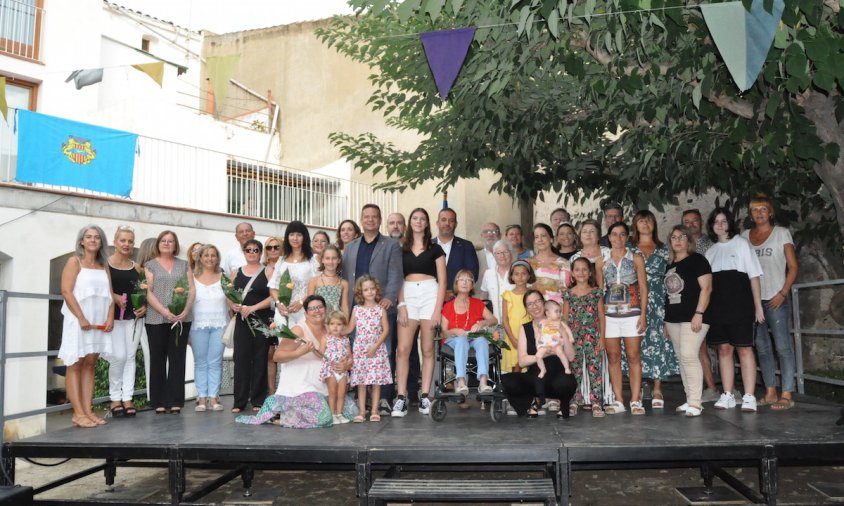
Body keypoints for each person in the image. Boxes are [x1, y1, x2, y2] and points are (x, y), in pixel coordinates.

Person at [236, 295, 353, 428]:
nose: (317, 311)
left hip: (325, 385)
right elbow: (277, 356)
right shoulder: (298, 330)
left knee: (348, 411)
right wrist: (300, 352)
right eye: (312, 308)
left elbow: (347, 353)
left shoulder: (331, 328)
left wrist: (346, 364)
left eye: (320, 307)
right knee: (324, 418)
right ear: (306, 312)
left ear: (325, 309)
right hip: (302, 386)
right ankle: (285, 416)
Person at [342, 204, 403, 415]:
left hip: (381, 310)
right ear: (361, 219)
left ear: (379, 220)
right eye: (366, 216)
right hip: (356, 309)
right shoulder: (350, 247)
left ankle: (384, 397)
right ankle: (362, 401)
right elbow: (344, 279)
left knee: (383, 352)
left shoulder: (391, 245)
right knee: (358, 354)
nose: (370, 220)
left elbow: (396, 274)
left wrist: (389, 298)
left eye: (374, 217)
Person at [705, 207, 765, 413]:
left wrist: (758, 307)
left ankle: (749, 396)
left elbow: (754, 276)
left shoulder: (741, 244)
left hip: (741, 306)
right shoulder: (710, 252)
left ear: (730, 224)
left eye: (724, 221)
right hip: (718, 308)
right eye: (716, 222)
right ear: (712, 226)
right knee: (724, 349)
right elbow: (707, 286)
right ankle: (728, 393)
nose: (720, 225)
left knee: (745, 349)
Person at [742, 195, 798, 410]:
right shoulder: (744, 236)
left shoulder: (781, 233)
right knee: (762, 349)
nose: (759, 213)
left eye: (763, 209)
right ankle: (770, 391)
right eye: (755, 210)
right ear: (751, 214)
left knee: (783, 347)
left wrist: (783, 293)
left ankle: (787, 393)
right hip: (753, 302)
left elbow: (793, 267)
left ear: (771, 212)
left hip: (776, 299)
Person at [394, 208, 446, 417]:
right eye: (414, 218)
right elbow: (397, 277)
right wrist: (401, 304)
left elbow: (443, 282)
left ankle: (425, 395)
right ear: (409, 222)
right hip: (407, 295)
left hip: (429, 295)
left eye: (422, 218)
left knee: (427, 349)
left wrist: (437, 310)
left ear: (427, 223)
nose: (418, 221)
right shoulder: (400, 249)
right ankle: (401, 397)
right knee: (403, 349)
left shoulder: (436, 249)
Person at [60, 225, 114, 428]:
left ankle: (88, 411)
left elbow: (110, 293)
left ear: (101, 242)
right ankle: (78, 413)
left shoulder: (103, 265)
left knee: (90, 363)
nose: (92, 240)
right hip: (79, 320)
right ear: (81, 241)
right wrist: (81, 317)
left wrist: (110, 317)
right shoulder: (74, 262)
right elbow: (66, 291)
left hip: (98, 321)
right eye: (88, 237)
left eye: (97, 237)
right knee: (75, 363)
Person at [501, 289, 577, 418]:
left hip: (557, 378)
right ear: (526, 307)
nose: (534, 306)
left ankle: (564, 405)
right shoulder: (525, 328)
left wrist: (563, 332)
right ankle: (531, 403)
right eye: (530, 304)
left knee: (567, 382)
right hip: (536, 378)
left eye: (537, 301)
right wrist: (545, 354)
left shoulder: (558, 323)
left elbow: (571, 356)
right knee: (507, 380)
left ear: (544, 303)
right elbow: (522, 361)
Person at [144, 230, 195, 414]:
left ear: (176, 245)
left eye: (170, 241)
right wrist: (164, 311)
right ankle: (158, 401)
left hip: (181, 318)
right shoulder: (149, 265)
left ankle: (175, 401)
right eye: (163, 241)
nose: (167, 244)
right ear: (158, 244)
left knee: (177, 358)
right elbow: (147, 292)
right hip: (156, 318)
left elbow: (191, 289)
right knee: (157, 359)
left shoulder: (184, 265)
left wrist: (185, 310)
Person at [663, 225, 712, 417]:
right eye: (673, 237)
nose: (677, 240)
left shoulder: (698, 260)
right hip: (673, 319)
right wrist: (667, 322)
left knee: (689, 355)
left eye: (681, 237)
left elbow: (706, 289)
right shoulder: (670, 264)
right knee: (682, 358)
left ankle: (695, 402)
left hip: (694, 316)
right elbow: (670, 294)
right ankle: (689, 397)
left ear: (688, 240)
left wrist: (699, 313)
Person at [630, 210, 677, 409]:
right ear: (635, 225)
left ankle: (657, 387)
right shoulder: (629, 249)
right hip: (634, 302)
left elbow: (673, 280)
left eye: (648, 221)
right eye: (641, 221)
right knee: (636, 345)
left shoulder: (665, 250)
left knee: (658, 342)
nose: (645, 224)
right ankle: (638, 385)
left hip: (658, 302)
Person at [602, 222, 648, 415]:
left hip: (633, 313)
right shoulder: (601, 261)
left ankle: (636, 400)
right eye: (614, 234)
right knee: (613, 357)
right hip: (610, 315)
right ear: (609, 237)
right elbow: (599, 291)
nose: (618, 238)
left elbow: (644, 288)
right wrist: (600, 320)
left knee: (633, 356)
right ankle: (619, 400)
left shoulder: (636, 258)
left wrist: (644, 314)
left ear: (627, 237)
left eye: (622, 235)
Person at [230, 239, 274, 413]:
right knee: (240, 359)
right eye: (248, 250)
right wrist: (232, 305)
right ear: (244, 252)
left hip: (261, 321)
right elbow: (229, 294)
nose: (252, 253)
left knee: (260, 359)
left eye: (256, 250)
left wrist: (253, 308)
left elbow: (273, 297)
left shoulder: (269, 271)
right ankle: (239, 401)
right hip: (242, 321)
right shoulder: (235, 273)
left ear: (260, 252)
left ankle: (258, 399)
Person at [105, 225, 145, 418]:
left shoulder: (136, 267)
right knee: (118, 356)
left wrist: (143, 306)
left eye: (130, 241)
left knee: (130, 357)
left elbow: (143, 292)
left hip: (133, 318)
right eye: (123, 240)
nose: (126, 244)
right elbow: (103, 288)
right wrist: (114, 297)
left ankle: (127, 397)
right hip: (113, 318)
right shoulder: (105, 265)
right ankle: (114, 398)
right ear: (115, 242)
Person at [440, 269, 498, 395]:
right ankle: (461, 381)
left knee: (482, 340)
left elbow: (494, 320)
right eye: (462, 279)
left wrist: (481, 323)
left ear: (472, 285)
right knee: (461, 340)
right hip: (454, 339)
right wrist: (455, 330)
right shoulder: (448, 306)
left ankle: (483, 382)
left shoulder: (478, 303)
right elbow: (443, 333)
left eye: (468, 280)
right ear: (456, 283)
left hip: (473, 338)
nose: (465, 282)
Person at [682, 208, 719, 402]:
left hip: (711, 301)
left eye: (694, 221)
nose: (690, 224)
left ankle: (726, 388)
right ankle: (710, 387)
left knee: (723, 346)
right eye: (686, 221)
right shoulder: (681, 247)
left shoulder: (711, 245)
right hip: (691, 304)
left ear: (701, 222)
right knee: (700, 347)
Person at [563, 257, 606, 417]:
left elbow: (601, 316)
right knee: (575, 370)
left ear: (590, 272)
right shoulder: (568, 294)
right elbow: (565, 319)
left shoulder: (596, 292)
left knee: (594, 369)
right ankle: (574, 401)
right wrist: (565, 339)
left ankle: (596, 402)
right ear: (572, 274)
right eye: (577, 269)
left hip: (593, 336)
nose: (581, 272)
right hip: (574, 338)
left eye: (584, 269)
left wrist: (602, 338)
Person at [347, 276, 392, 422]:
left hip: (376, 349)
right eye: (366, 289)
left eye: (372, 288)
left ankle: (374, 410)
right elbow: (350, 328)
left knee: (375, 381)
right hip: (361, 350)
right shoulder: (356, 310)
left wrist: (375, 346)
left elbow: (385, 330)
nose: (370, 292)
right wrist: (335, 330)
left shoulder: (380, 310)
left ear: (376, 290)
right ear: (361, 292)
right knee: (361, 382)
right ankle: (361, 411)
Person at [190, 244, 228, 412]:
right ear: (200, 258)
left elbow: (231, 300)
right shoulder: (191, 276)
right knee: (200, 362)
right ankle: (201, 398)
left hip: (219, 324)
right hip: (197, 325)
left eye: (213, 255)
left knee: (215, 361)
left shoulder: (224, 277)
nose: (210, 258)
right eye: (206, 255)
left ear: (217, 258)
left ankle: (213, 397)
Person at [270, 221, 319, 327]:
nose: (295, 238)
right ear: (287, 237)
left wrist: (302, 302)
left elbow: (318, 286)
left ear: (304, 237)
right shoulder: (281, 261)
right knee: (284, 343)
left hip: (305, 311)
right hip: (283, 312)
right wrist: (278, 303)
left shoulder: (312, 260)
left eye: (299, 235)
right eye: (291, 234)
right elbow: (273, 287)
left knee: (304, 342)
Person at [433, 208, 479, 300]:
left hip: (458, 299)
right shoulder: (427, 246)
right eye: (443, 220)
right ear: (437, 223)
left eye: (451, 220)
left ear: (456, 224)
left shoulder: (467, 246)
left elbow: (472, 274)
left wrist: (453, 292)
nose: (447, 223)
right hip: (430, 301)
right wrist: (439, 293)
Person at [501, 261, 535, 374]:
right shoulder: (507, 295)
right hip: (513, 335)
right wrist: (512, 338)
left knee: (528, 363)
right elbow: (505, 319)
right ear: (511, 276)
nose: (520, 277)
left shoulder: (532, 294)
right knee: (514, 365)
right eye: (516, 274)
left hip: (528, 334)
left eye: (523, 274)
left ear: (529, 275)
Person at [321, 310, 352, 424]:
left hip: (342, 371)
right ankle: (332, 414)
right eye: (332, 324)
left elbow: (349, 355)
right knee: (332, 393)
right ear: (328, 326)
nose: (335, 327)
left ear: (343, 326)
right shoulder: (326, 338)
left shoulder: (345, 340)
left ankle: (339, 414)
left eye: (339, 324)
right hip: (331, 370)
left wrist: (347, 361)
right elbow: (320, 353)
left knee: (341, 393)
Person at [527, 223, 571, 302]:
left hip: (556, 311)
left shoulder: (564, 264)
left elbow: (567, 293)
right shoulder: (528, 263)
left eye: (543, 236)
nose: (540, 239)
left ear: (551, 239)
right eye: (536, 237)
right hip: (533, 311)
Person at [262, 236, 284, 394]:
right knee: (270, 355)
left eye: (276, 247)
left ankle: (285, 389)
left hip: (284, 312)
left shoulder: (286, 266)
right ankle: (271, 391)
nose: (273, 250)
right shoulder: (260, 269)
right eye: (269, 247)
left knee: (284, 351)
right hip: (265, 315)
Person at [479, 239, 515, 323]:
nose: (502, 256)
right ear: (494, 256)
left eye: (505, 252)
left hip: (515, 322)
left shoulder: (519, 272)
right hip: (495, 323)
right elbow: (483, 295)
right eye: (498, 253)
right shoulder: (488, 274)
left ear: (511, 253)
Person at [535, 300, 574, 378]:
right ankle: (542, 369)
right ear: (548, 313)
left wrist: (571, 337)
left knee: (560, 353)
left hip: (556, 343)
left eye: (560, 311)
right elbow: (538, 334)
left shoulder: (560, 322)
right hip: (545, 344)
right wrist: (538, 345)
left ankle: (566, 368)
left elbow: (567, 329)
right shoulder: (542, 322)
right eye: (556, 311)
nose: (559, 314)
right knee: (538, 356)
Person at [307, 244, 350, 314]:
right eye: (327, 258)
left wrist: (346, 324)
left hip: (335, 321)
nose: (330, 262)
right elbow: (309, 305)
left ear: (339, 260)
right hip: (318, 319)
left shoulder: (344, 283)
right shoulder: (314, 281)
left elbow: (345, 307)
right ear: (322, 260)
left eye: (334, 258)